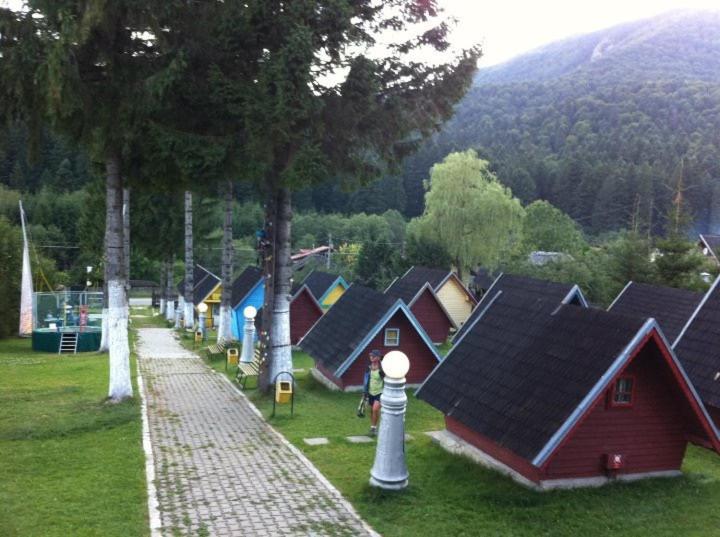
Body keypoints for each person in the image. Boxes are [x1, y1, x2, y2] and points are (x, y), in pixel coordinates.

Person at [362, 349, 385, 436]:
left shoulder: (382, 368)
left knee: (375, 409)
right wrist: (364, 392)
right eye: (371, 355)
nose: (371, 357)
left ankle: (374, 428)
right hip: (370, 392)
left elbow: (386, 379)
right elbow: (365, 380)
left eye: (373, 356)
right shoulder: (368, 367)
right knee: (371, 410)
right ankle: (373, 427)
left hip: (380, 392)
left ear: (378, 358)